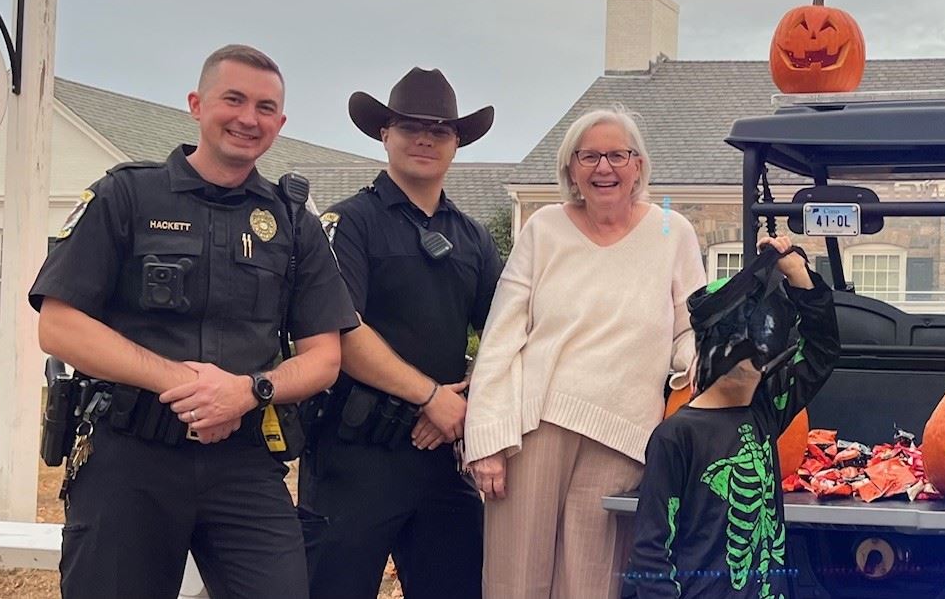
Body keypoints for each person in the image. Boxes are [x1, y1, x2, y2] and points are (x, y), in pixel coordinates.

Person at [30, 44, 357, 599]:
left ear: (280, 123)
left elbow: (326, 356)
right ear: (196, 105)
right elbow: (59, 326)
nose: (247, 119)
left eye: (264, 107)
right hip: (129, 456)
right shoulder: (126, 195)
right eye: (233, 99)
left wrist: (250, 391)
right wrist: (183, 382)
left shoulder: (292, 223)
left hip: (243, 462)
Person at [465, 108, 707, 598]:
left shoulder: (671, 231)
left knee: (593, 584)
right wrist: (487, 438)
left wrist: (703, 365)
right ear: (571, 168)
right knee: (517, 582)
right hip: (535, 429)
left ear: (638, 165)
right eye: (590, 156)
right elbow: (501, 337)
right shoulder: (544, 229)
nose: (604, 168)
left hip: (623, 434)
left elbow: (689, 330)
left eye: (618, 155)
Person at [300, 68, 502, 598]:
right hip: (352, 460)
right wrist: (431, 396)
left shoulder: (473, 238)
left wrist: (464, 402)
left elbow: (508, 330)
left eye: (440, 130)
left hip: (440, 459)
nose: (425, 139)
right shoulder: (348, 224)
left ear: (457, 143)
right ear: (384, 134)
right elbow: (341, 331)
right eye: (410, 126)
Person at [625, 235, 840, 598]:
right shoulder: (675, 437)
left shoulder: (765, 410)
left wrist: (796, 272)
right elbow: (651, 552)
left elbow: (821, 348)